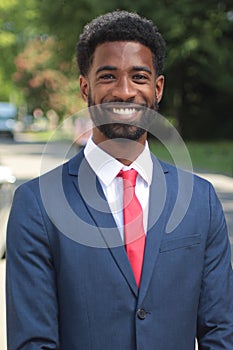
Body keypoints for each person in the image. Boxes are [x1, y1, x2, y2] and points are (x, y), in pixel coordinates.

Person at [6, 10, 233, 350]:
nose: (125, 92)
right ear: (86, 88)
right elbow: (32, 342)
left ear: (157, 88)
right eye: (108, 76)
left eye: (139, 77)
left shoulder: (201, 200)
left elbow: (221, 332)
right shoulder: (37, 204)